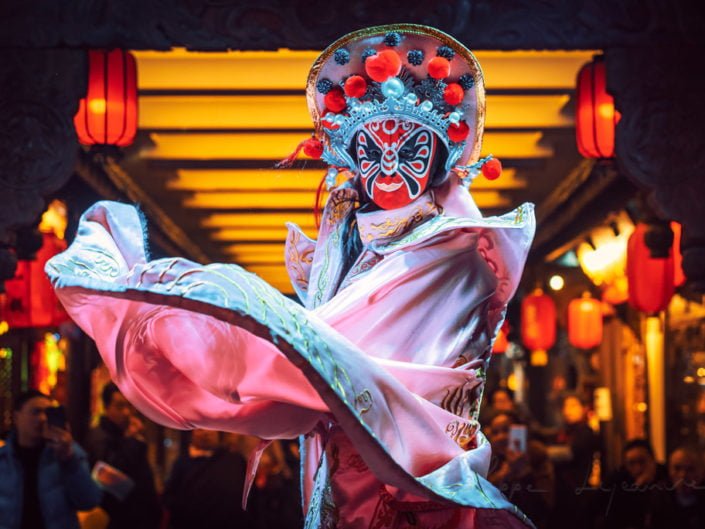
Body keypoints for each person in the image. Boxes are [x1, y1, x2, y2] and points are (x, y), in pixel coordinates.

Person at [46, 24, 536, 528]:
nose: (389, 167)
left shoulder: (453, 254)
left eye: (409, 151)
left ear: (437, 159)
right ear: (353, 159)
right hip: (334, 470)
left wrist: (210, 307)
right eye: (373, 151)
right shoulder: (347, 239)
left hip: (412, 481)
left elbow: (334, 356)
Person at [0, 389, 101, 529]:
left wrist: (69, 460)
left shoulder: (69, 452)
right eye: (35, 412)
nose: (42, 419)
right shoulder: (3, 459)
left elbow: (89, 501)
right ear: (16, 417)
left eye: (47, 413)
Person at [84, 383, 161, 529]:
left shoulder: (125, 435)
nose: (126, 412)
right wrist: (132, 441)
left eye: (130, 406)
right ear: (106, 408)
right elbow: (112, 482)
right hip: (119, 520)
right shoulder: (99, 437)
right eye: (119, 407)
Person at [162, 429, 254, 529]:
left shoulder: (236, 460)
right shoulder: (182, 463)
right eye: (200, 428)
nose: (206, 432)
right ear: (191, 433)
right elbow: (170, 498)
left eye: (211, 427)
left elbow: (250, 497)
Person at [486, 411, 555, 528]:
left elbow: (543, 509)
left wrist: (524, 473)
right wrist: (501, 476)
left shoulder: (536, 455)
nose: (500, 437)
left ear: (520, 432)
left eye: (506, 430)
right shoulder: (488, 460)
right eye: (495, 432)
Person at [546, 393, 600, 529]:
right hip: (562, 491)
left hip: (577, 492)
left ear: (584, 408)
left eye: (573, 406)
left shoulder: (585, 431)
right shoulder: (565, 431)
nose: (568, 410)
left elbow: (571, 453)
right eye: (566, 406)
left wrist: (543, 453)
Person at [597, 439, 668, 529]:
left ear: (652, 460)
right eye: (631, 463)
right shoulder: (618, 480)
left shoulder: (666, 476)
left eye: (642, 462)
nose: (637, 468)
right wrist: (637, 488)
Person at [646, 446, 705, 529]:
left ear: (702, 471)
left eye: (690, 469)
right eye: (677, 468)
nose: (683, 475)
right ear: (669, 470)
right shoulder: (660, 495)